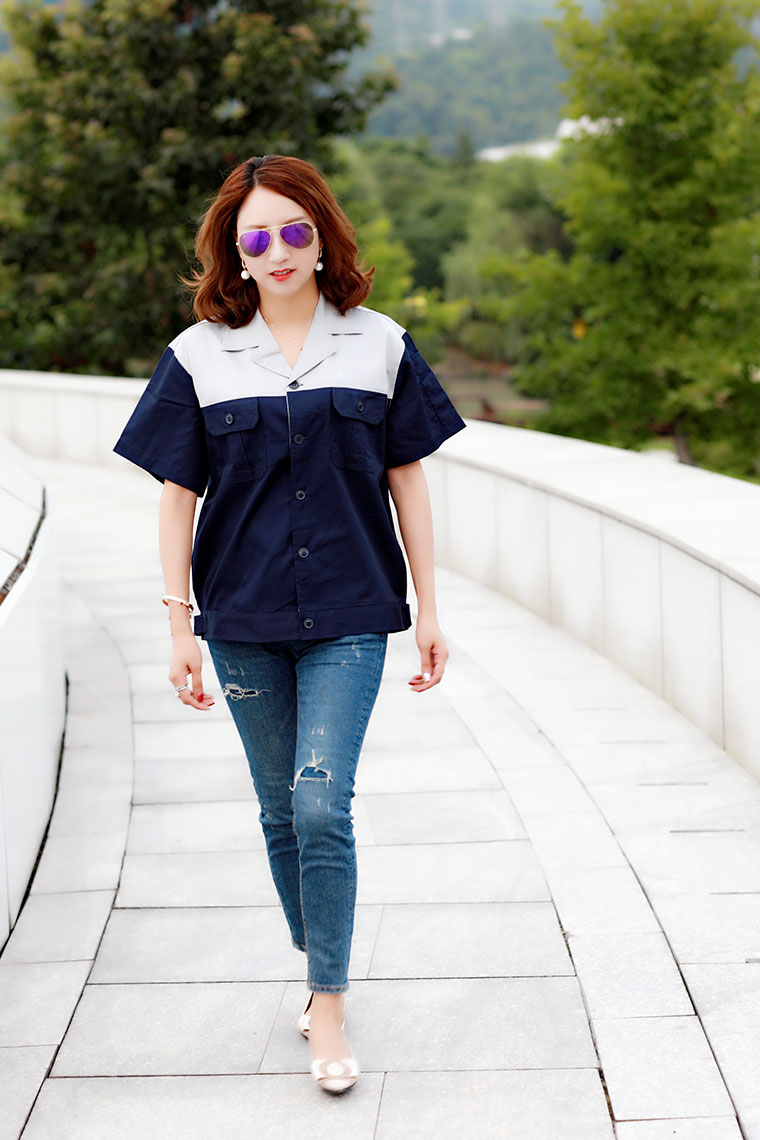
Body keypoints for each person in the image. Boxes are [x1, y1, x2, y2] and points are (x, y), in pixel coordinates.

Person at [113, 153, 466, 1095]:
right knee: (278, 811)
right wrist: (179, 626)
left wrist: (430, 607)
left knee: (319, 803)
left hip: (351, 610)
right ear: (236, 251)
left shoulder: (379, 345)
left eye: (294, 231)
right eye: (257, 237)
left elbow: (406, 479)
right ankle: (322, 967)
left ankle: (330, 1004)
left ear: (322, 236)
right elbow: (177, 496)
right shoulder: (199, 356)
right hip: (241, 616)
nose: (277, 251)